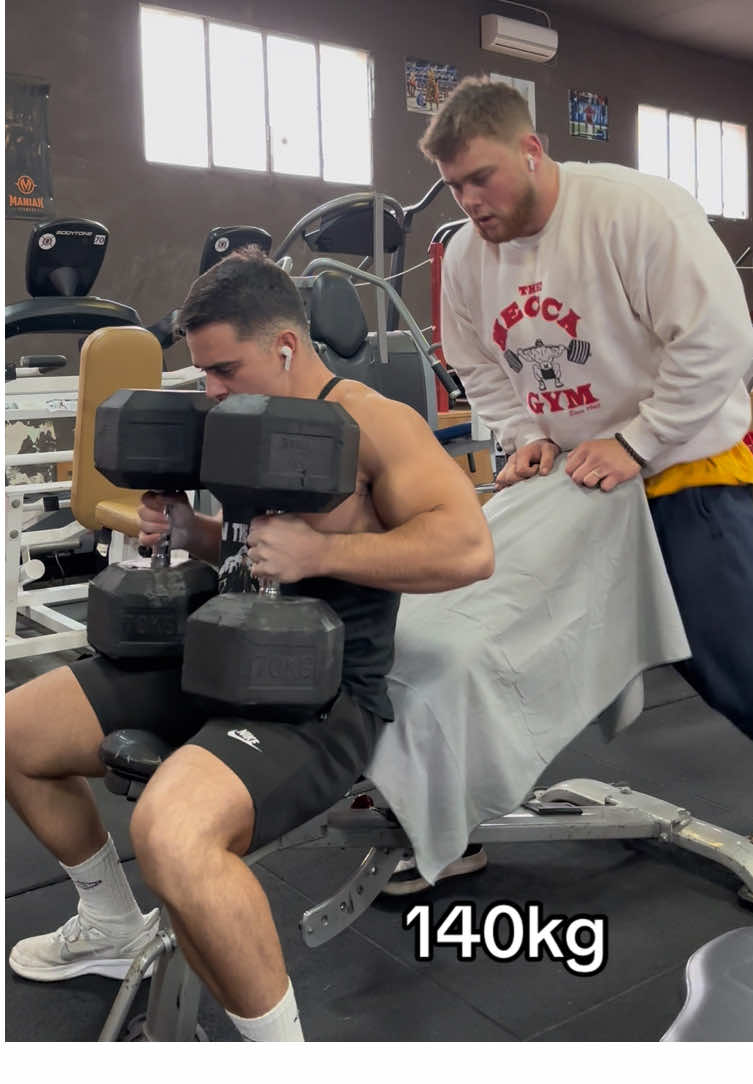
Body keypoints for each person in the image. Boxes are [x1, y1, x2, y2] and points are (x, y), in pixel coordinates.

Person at [5, 250, 494, 1041]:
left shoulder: (372, 422)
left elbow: (469, 550)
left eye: (226, 369)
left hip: (316, 696)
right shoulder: (234, 419)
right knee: (15, 733)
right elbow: (240, 546)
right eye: (203, 373)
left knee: (171, 832)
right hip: (213, 654)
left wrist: (324, 555)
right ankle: (108, 924)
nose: (213, 391)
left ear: (287, 348)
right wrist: (195, 533)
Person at [418, 76, 753, 742]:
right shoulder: (464, 256)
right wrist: (522, 434)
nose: (471, 201)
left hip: (686, 472)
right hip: (576, 485)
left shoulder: (633, 212)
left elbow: (720, 341)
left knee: (734, 663)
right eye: (455, 186)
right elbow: (475, 364)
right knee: (491, 639)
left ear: (532, 150)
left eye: (482, 177)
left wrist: (637, 441)